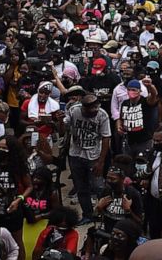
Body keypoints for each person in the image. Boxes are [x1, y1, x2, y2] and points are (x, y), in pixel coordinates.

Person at [64, 93, 112, 226]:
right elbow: (64, 127)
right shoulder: (74, 110)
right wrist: (59, 120)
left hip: (93, 156)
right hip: (75, 154)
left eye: (94, 109)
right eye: (89, 110)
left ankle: (104, 213)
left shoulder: (102, 115)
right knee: (81, 187)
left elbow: (106, 138)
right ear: (83, 108)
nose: (93, 112)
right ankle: (88, 215)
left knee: (98, 187)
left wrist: (101, 162)